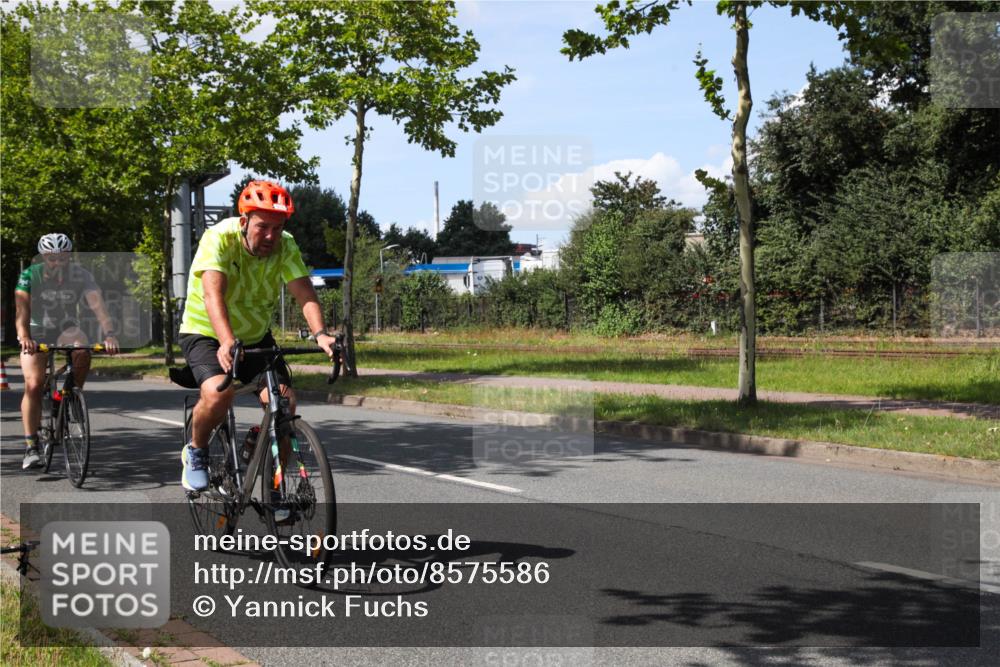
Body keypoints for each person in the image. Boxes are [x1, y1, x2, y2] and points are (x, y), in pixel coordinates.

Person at [178, 180, 336, 494]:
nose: (270, 236)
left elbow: (304, 293)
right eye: (263, 226)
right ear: (244, 221)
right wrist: (225, 340)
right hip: (207, 332)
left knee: (284, 404)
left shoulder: (286, 244)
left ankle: (273, 486)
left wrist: (321, 334)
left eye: (277, 229)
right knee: (219, 393)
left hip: (255, 335)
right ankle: (196, 451)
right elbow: (213, 295)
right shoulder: (218, 238)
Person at [15, 233, 120, 469]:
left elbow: (97, 304)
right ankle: (31, 445)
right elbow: (21, 311)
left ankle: (70, 395)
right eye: (52, 259)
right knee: (33, 383)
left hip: (65, 327)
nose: (58, 263)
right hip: (36, 330)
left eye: (62, 258)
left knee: (82, 350)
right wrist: (24, 337)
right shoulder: (30, 275)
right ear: (44, 257)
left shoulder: (80, 275)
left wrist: (109, 333)